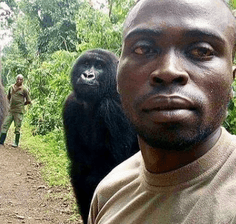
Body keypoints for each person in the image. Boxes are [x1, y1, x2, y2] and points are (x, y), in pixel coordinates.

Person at [88, 0, 236, 223]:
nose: (168, 70)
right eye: (143, 48)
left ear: (231, 80)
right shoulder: (109, 193)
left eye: (201, 50)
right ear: (118, 77)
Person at [0, 74, 31, 147]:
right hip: (10, 111)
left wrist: (22, 104)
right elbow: (7, 98)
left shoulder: (24, 89)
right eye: (18, 79)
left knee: (17, 128)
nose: (19, 81)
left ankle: (16, 143)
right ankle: (1, 141)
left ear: (23, 80)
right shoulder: (11, 87)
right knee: (5, 125)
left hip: (19, 112)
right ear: (16, 79)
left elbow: (28, 100)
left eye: (21, 79)